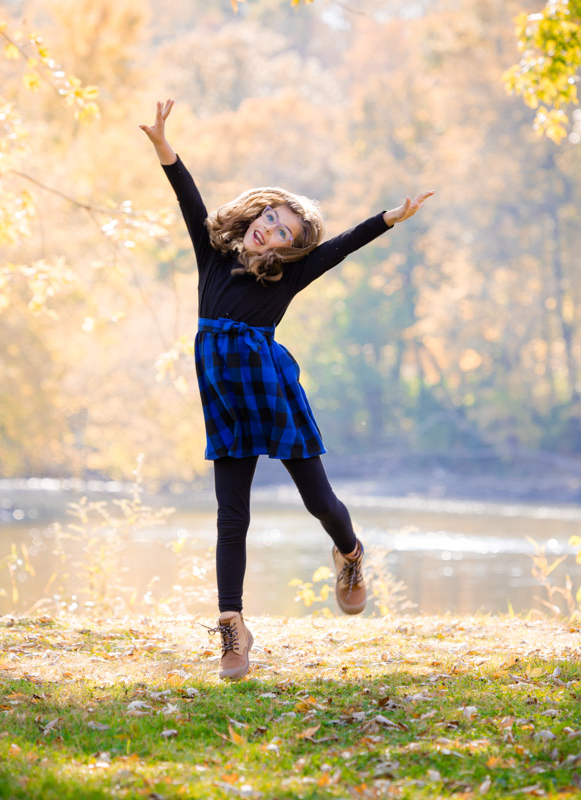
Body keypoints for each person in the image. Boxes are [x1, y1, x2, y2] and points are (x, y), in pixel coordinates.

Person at [140, 99, 433, 681]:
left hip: (269, 389)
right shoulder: (212, 256)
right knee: (231, 515)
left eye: (284, 233)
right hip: (223, 394)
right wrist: (162, 146)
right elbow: (187, 197)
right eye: (269, 219)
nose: (270, 231)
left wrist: (388, 219)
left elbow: (341, 245)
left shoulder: (291, 273)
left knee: (318, 501)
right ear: (254, 215)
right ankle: (233, 629)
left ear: (289, 247)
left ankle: (350, 554)